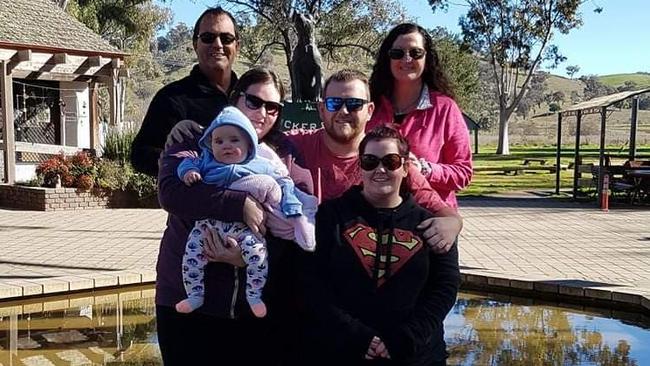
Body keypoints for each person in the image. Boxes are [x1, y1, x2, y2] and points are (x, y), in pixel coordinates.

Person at [156, 67, 309, 365]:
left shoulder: (286, 158)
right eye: (253, 101)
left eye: (273, 107)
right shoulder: (196, 140)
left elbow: (300, 225)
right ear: (236, 99)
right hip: (185, 300)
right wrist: (238, 204)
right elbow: (171, 193)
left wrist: (249, 257)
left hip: (253, 307)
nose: (262, 113)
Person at [299, 126, 461, 365]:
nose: (380, 169)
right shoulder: (330, 216)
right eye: (370, 161)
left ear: (406, 168)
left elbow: (444, 288)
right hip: (343, 351)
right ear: (360, 166)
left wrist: (406, 338)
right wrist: (355, 335)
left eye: (391, 161)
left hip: (416, 355)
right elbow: (311, 282)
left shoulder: (431, 225)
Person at [286, 69, 461, 252]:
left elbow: (444, 213)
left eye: (354, 104)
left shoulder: (387, 158)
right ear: (321, 110)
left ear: (370, 110)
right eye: (334, 103)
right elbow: (254, 147)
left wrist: (453, 223)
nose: (344, 111)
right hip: (307, 265)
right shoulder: (293, 145)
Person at [174, 106, 317, 318]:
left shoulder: (260, 163)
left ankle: (254, 294)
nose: (226, 146)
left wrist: (291, 205)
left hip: (244, 228)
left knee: (258, 253)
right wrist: (190, 172)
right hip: (208, 225)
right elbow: (184, 167)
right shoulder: (205, 160)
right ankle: (195, 295)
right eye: (219, 141)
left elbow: (283, 180)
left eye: (234, 140)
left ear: (248, 144)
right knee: (191, 254)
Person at [368, 23, 473, 209]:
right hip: (375, 221)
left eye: (415, 53)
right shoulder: (370, 107)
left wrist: (426, 169)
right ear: (388, 58)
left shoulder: (445, 108)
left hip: (431, 221)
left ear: (427, 58)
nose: (407, 59)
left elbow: (463, 173)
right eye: (397, 53)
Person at [131, 7, 241, 176]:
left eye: (226, 38)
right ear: (195, 44)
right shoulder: (171, 98)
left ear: (237, 46)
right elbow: (140, 155)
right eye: (208, 38)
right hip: (195, 199)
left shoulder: (251, 98)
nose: (218, 45)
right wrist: (183, 163)